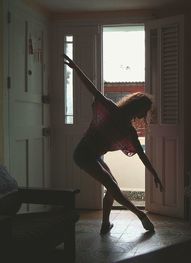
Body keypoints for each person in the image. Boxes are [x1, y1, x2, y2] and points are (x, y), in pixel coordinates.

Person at [63, 54, 164, 234]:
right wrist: (76, 68)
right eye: (145, 110)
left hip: (93, 156)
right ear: (137, 106)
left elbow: (142, 155)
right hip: (82, 154)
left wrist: (155, 174)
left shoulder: (129, 131)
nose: (145, 114)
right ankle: (140, 215)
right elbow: (92, 89)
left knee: (112, 185)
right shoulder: (111, 109)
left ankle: (105, 224)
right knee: (113, 186)